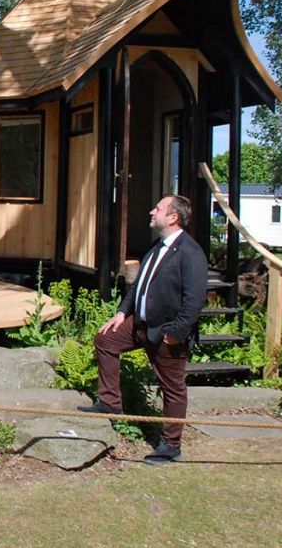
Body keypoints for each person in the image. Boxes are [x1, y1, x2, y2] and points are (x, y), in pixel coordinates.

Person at [81, 194, 207, 465]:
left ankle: (170, 446)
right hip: (139, 324)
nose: (152, 211)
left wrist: (176, 333)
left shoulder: (190, 252)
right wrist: (121, 313)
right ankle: (111, 403)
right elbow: (138, 286)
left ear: (173, 217)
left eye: (158, 209)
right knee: (106, 340)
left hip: (167, 333)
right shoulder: (156, 246)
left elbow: (195, 300)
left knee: (172, 388)